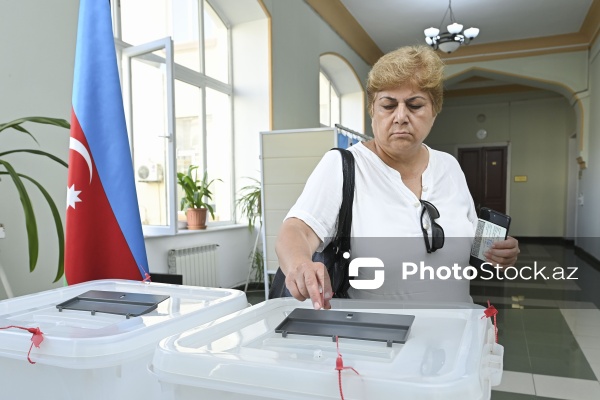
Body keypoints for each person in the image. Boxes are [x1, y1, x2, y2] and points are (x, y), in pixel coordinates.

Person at [275, 45, 519, 310]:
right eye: (388, 105)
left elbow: (468, 241)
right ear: (372, 111)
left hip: (456, 331)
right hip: (380, 340)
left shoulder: (449, 166)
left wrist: (497, 253)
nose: (401, 117)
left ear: (434, 111)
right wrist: (300, 265)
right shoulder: (344, 166)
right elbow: (296, 230)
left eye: (415, 105)